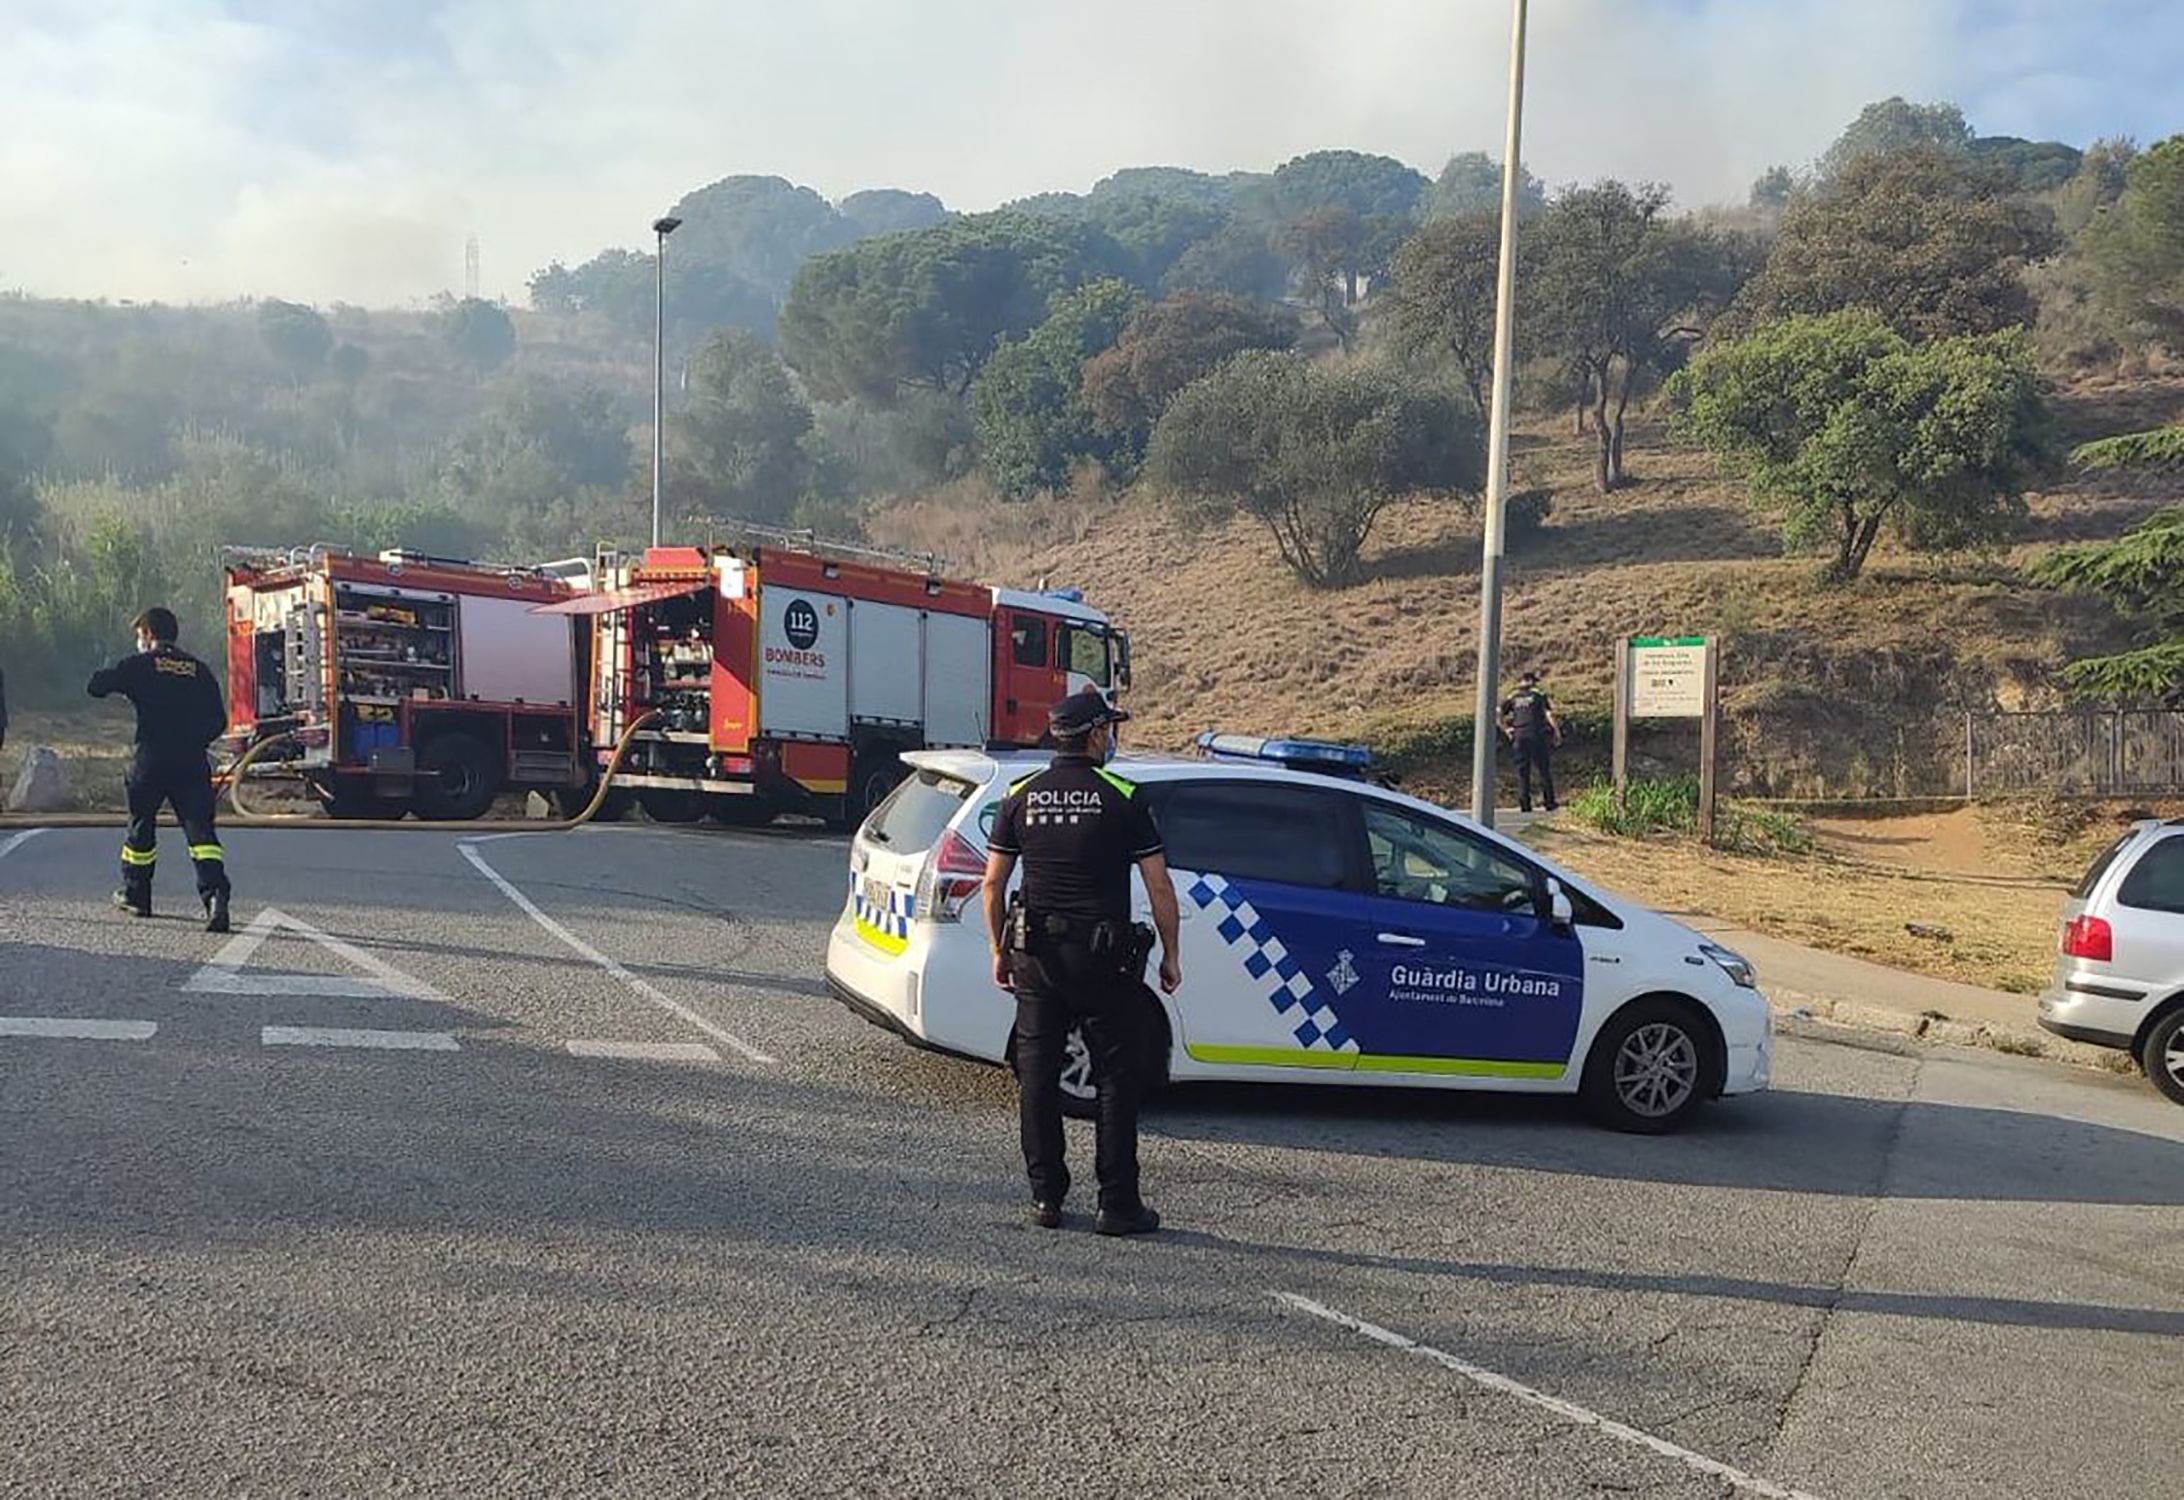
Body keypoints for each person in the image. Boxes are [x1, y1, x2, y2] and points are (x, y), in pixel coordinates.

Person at [982, 689, 1181, 1237]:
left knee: (1038, 1077)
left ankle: (1046, 1197)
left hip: (1035, 957)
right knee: (1116, 1075)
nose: (1111, 736)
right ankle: (1117, 1204)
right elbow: (1158, 885)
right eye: (1109, 728)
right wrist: (1171, 953)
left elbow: (993, 882)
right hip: (1103, 959)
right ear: (1095, 735)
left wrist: (999, 949)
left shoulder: (1021, 794)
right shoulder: (1123, 794)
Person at [88, 607, 232, 932]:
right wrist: (194, 741)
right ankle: (215, 898)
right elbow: (218, 720)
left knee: (141, 826)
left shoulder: (140, 665)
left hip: (151, 758)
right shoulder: (199, 670)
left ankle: (137, 896)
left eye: (139, 634)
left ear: (149, 633)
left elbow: (95, 686)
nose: (139, 640)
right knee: (201, 833)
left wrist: (114, 671)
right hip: (191, 761)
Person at [1498, 669, 1562, 813]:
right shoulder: (1539, 695)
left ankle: (1525, 804)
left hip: (1519, 736)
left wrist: (1506, 729)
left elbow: (1498, 713)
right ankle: (1549, 802)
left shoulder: (1513, 696)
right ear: (1530, 680)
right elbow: (1548, 714)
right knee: (1543, 769)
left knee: (1522, 772)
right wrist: (1556, 732)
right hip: (1537, 734)